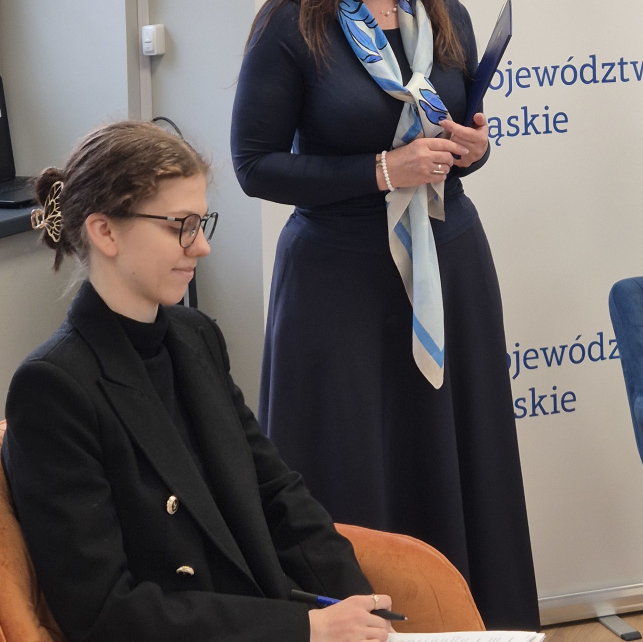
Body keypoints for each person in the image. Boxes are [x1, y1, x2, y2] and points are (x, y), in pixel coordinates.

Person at [230, 0, 538, 630]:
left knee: (457, 461)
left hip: (449, 266)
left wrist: (472, 150)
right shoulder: (292, 24)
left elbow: (450, 145)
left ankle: (464, 623)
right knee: (351, 471)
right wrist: (380, 171)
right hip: (339, 284)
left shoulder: (444, 14)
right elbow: (255, 166)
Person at [2, 120, 394, 642]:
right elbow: (105, 612)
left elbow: (278, 496)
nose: (201, 246)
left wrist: (363, 609)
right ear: (105, 232)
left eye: (202, 223)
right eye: (180, 226)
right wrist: (304, 629)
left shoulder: (195, 336)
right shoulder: (53, 388)